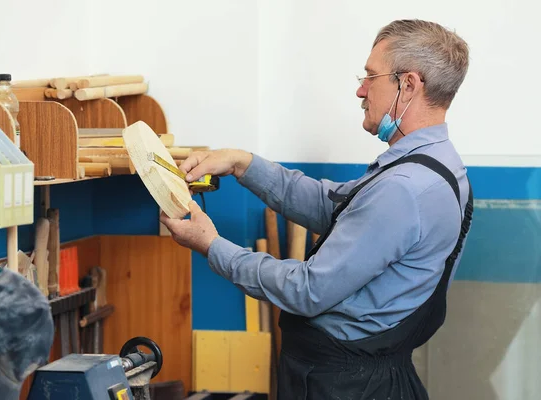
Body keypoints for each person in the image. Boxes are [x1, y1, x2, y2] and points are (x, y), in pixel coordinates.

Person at [160, 19, 473, 400]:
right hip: (371, 374)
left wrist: (211, 245)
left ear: (408, 85)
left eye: (371, 77)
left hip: (346, 385)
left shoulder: (404, 189)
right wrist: (242, 163)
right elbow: (335, 208)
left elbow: (307, 290)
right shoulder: (439, 166)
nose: (360, 89)